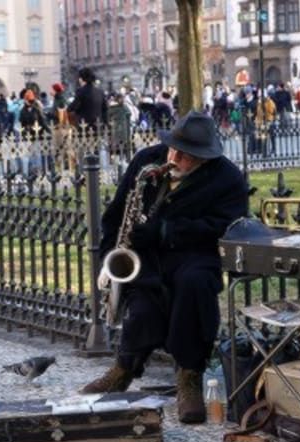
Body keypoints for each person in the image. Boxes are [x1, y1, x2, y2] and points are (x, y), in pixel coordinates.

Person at [79, 111, 248, 425]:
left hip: (195, 254)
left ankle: (189, 376)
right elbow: (117, 212)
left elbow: (225, 227)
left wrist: (167, 231)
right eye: (174, 148)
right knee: (143, 302)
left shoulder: (227, 178)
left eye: (186, 155)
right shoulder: (148, 161)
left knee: (193, 286)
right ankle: (123, 369)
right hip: (146, 256)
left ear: (204, 158)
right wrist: (110, 255)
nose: (175, 157)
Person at [66, 67, 107, 133]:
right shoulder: (100, 91)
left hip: (85, 127)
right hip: (98, 127)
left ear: (81, 79)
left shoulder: (80, 91)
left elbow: (71, 108)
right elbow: (105, 109)